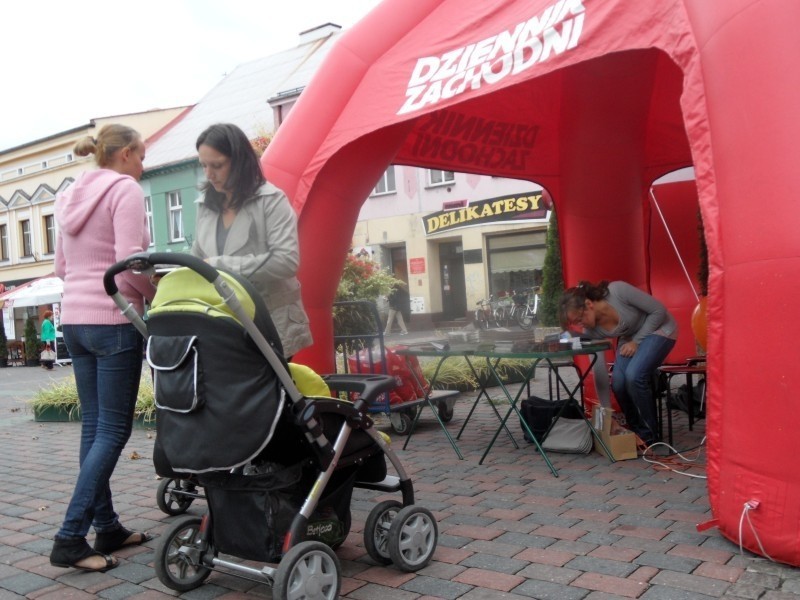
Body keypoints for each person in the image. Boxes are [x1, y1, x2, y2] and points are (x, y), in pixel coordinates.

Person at [49, 124, 155, 573]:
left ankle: (107, 525)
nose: (143, 165)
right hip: (114, 321)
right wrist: (152, 294)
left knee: (94, 430)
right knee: (113, 432)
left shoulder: (68, 194)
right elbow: (129, 265)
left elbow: (60, 266)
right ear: (126, 153)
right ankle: (70, 536)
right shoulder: (124, 190)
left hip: (73, 320)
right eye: (142, 156)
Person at [192, 123, 312, 358]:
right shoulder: (204, 205)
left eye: (216, 165)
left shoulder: (271, 200)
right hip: (223, 324)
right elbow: (198, 258)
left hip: (270, 323)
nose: (208, 174)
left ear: (239, 161)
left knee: (272, 394)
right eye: (203, 165)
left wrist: (220, 265)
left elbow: (286, 261)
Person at [559, 280, 677, 444]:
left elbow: (659, 311)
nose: (581, 325)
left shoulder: (617, 291)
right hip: (631, 339)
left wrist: (636, 341)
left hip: (660, 328)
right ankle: (637, 430)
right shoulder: (591, 331)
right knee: (618, 383)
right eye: (576, 323)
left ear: (588, 304)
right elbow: (599, 371)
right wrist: (608, 415)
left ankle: (650, 434)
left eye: (580, 319)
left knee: (634, 376)